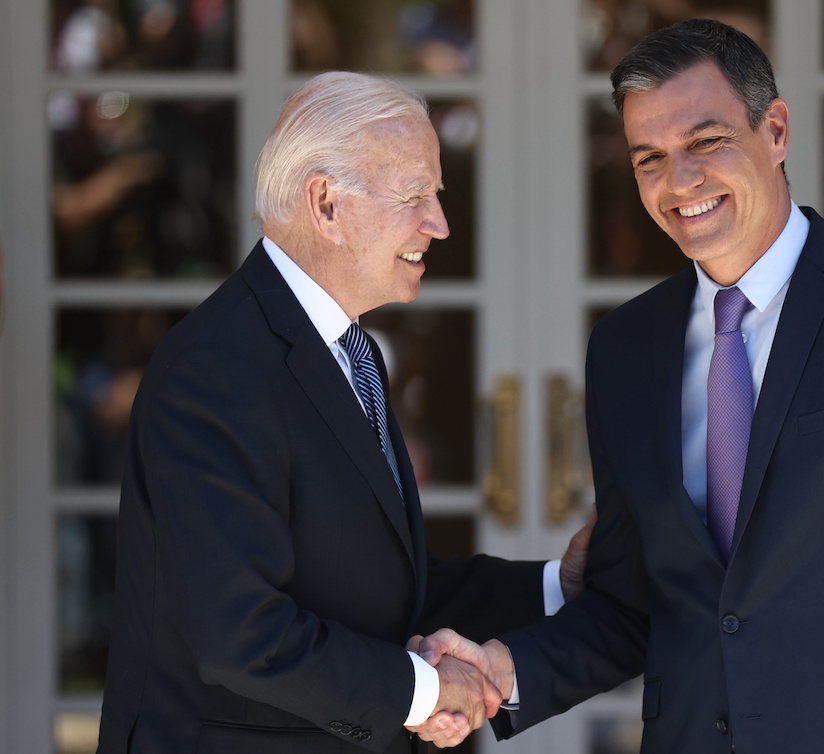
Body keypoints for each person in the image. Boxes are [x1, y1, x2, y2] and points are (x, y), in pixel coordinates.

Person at [419, 19, 824, 753]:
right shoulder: (625, 350)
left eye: (706, 142)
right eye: (650, 158)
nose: (679, 182)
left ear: (775, 130)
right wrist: (506, 668)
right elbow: (632, 605)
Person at [97, 71, 591, 754]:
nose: (439, 224)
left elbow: (376, 588)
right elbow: (243, 636)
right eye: (416, 195)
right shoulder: (216, 368)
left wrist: (551, 586)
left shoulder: (351, 351)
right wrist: (421, 692)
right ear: (325, 204)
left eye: (437, 196)